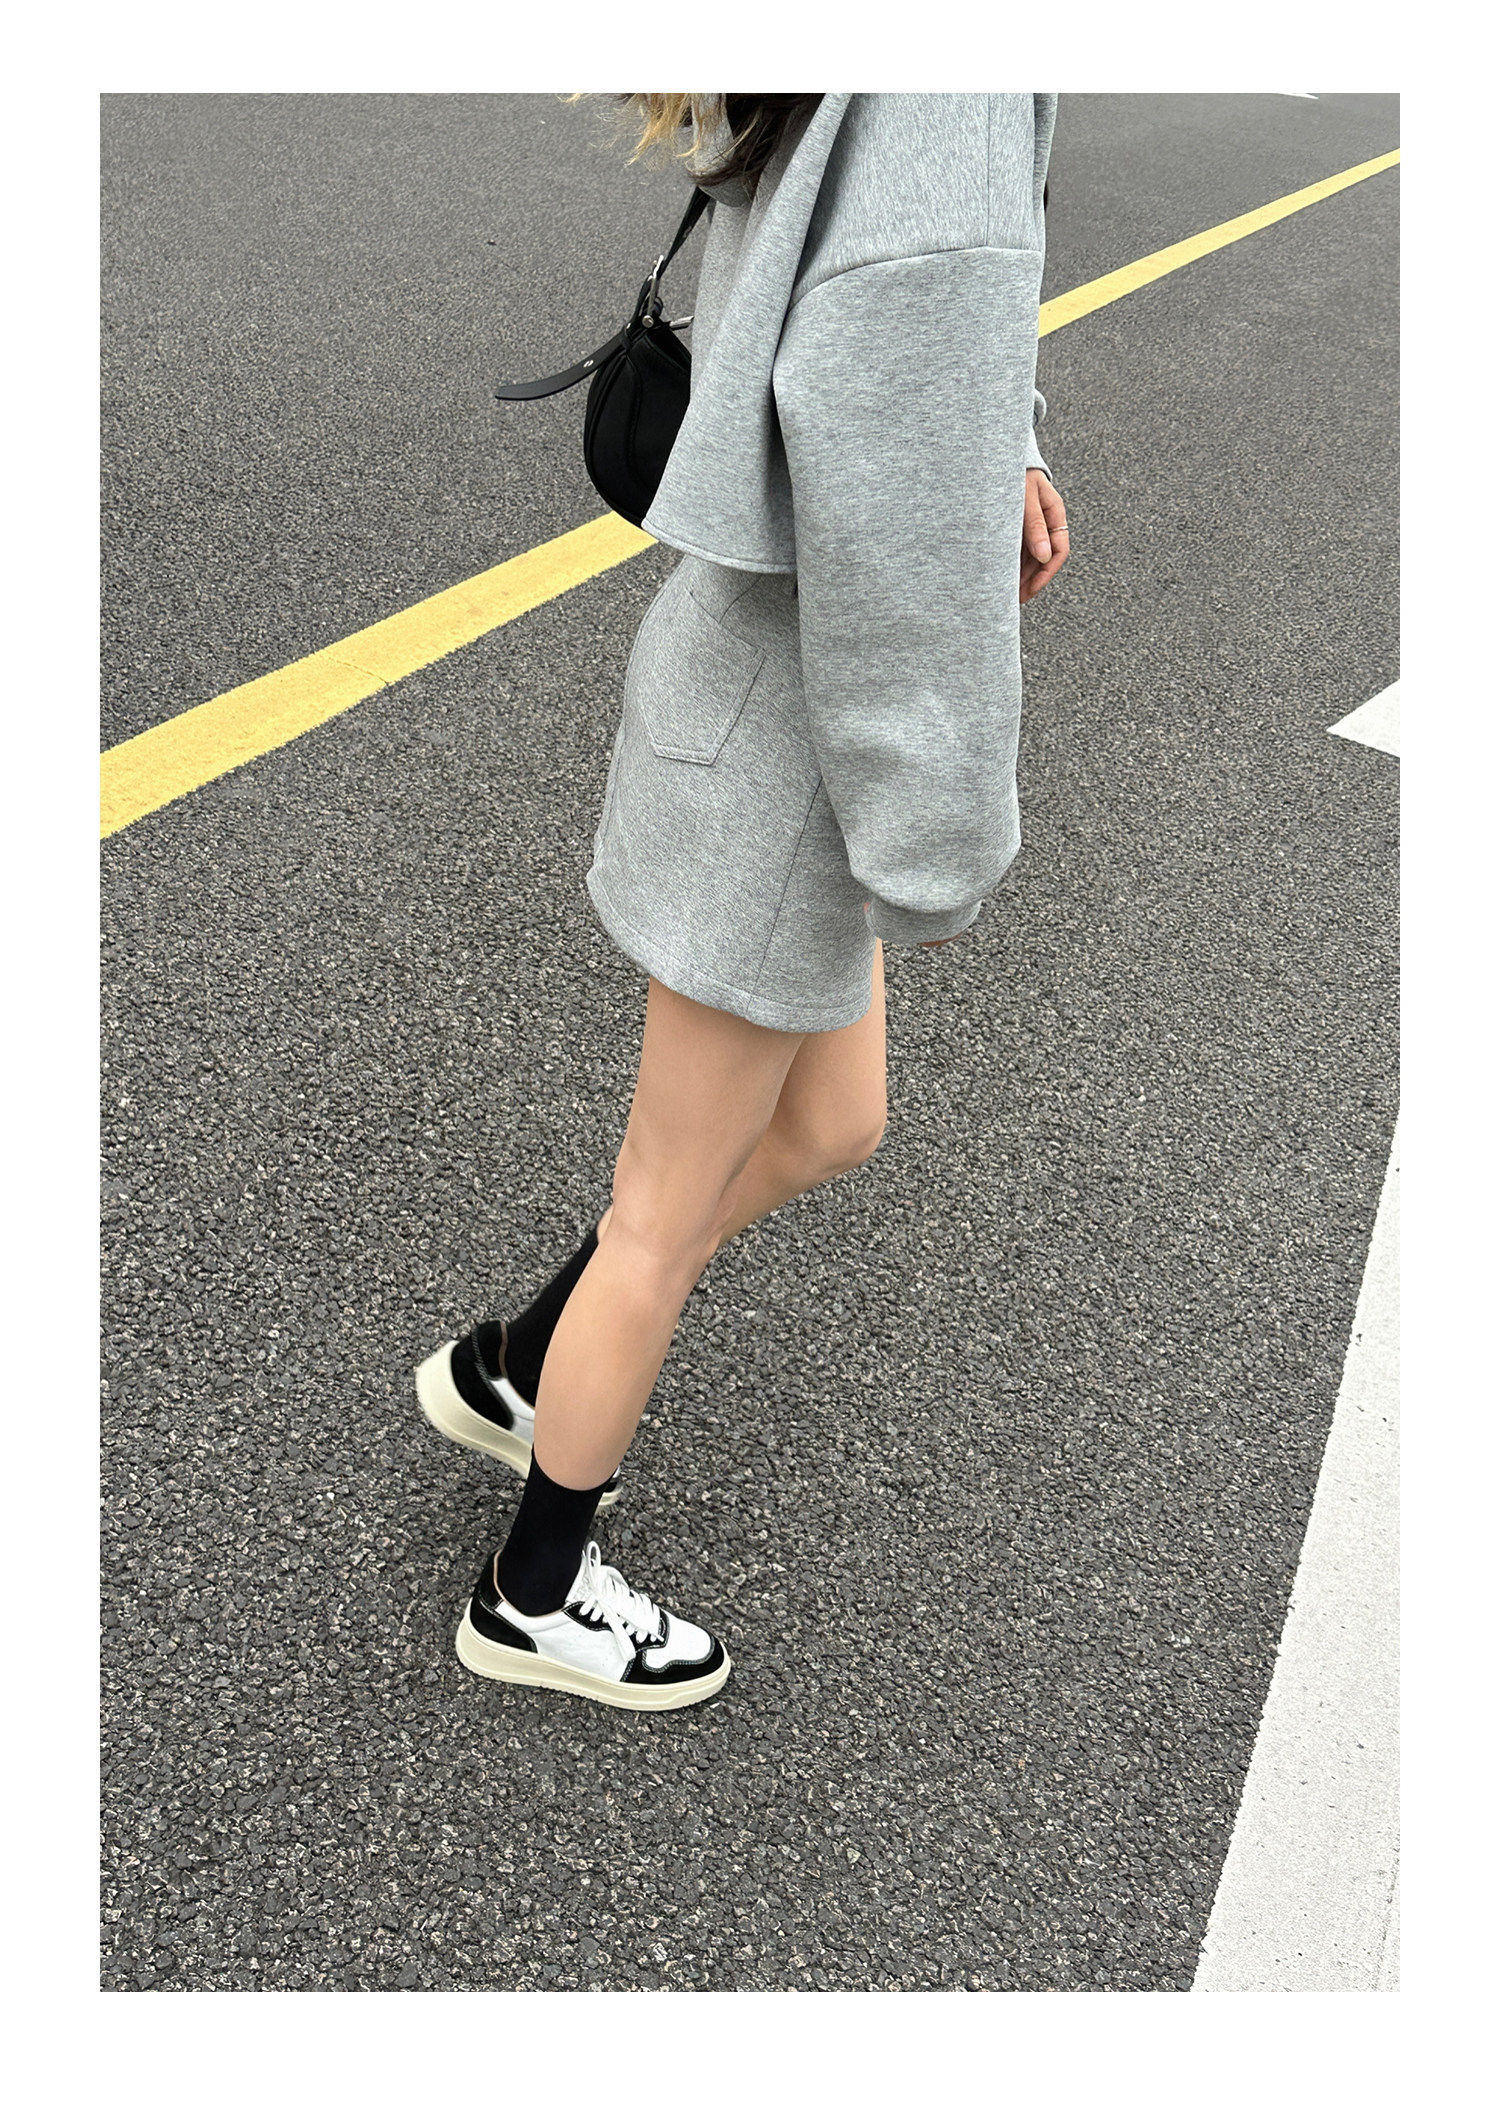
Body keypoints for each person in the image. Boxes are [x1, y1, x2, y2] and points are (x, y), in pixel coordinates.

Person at [415, 92, 1069, 1710]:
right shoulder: (960, 87)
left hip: (760, 702)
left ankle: (521, 1362)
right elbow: (892, 478)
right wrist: (942, 822)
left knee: (835, 1121)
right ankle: (533, 1592)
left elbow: (883, 333)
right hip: (792, 745)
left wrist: (1011, 446)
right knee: (661, 1208)